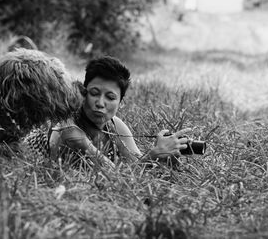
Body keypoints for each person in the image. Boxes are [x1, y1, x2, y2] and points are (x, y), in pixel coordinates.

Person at [48, 56, 192, 169]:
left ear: (120, 102)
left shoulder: (115, 125)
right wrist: (154, 155)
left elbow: (139, 166)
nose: (100, 103)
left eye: (110, 97)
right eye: (94, 93)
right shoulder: (69, 129)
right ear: (83, 94)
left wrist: (168, 159)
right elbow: (115, 178)